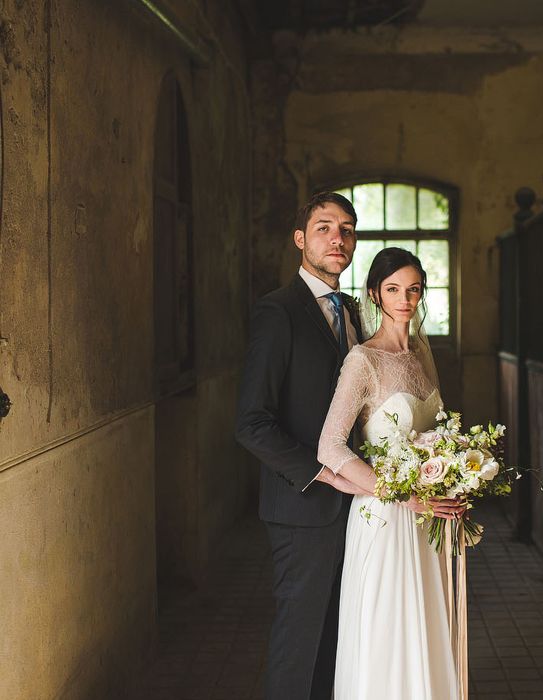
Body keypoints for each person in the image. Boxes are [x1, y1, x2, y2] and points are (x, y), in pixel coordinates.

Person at [315, 247, 464, 699]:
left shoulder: (420, 352)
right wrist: (401, 496)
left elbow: (439, 429)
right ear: (375, 294)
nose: (405, 298)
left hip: (428, 517)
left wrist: (457, 474)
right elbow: (329, 447)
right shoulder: (364, 359)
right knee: (390, 630)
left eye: (413, 289)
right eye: (394, 289)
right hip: (386, 517)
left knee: (428, 625)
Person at [235, 191, 363, 699]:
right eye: (325, 227)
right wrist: (325, 474)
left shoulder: (353, 312)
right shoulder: (278, 311)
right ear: (300, 239)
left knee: (337, 640)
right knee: (298, 645)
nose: (338, 238)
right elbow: (251, 423)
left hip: (355, 507)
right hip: (302, 506)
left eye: (347, 229)